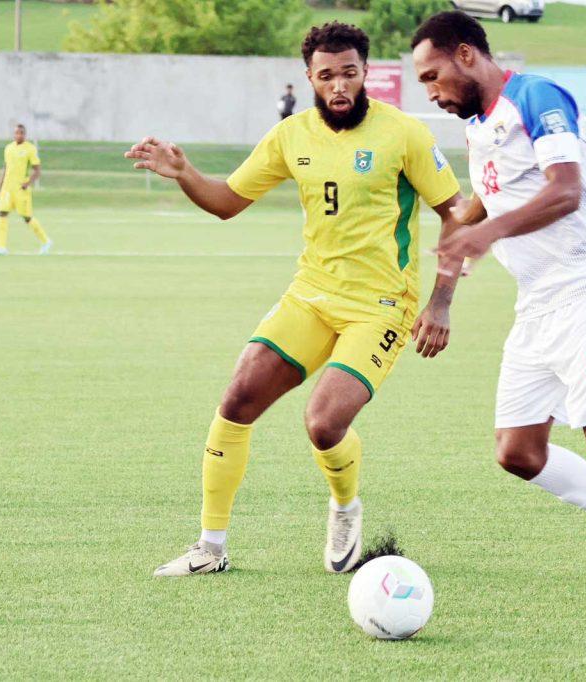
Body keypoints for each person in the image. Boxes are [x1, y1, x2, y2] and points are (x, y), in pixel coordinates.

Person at [125, 22, 464, 578]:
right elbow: (227, 202)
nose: (338, 85)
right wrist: (185, 173)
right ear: (308, 76)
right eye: (326, 75)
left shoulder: (403, 134)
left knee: (323, 422)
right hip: (310, 295)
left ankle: (345, 507)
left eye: (349, 73)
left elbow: (457, 215)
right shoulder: (291, 136)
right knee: (237, 400)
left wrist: (441, 302)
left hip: (381, 305)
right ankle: (210, 548)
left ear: (365, 73)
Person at [411, 11, 586, 637]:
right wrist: (442, 298)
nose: (430, 91)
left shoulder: (535, 96)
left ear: (466, 55)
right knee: (517, 451)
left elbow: (564, 190)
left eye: (433, 76)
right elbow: (465, 219)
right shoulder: (481, 132)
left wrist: (488, 231)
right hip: (538, 303)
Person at [0, 124, 52, 256]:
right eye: (16, 133)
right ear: (14, 134)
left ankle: (46, 241)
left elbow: (37, 171)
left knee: (27, 217)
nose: (18, 135)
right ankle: (2, 247)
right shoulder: (8, 148)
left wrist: (28, 183)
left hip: (20, 189)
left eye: (21, 133)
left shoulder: (30, 149)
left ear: (25, 135)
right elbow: (6, 167)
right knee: (2, 213)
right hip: (7, 189)